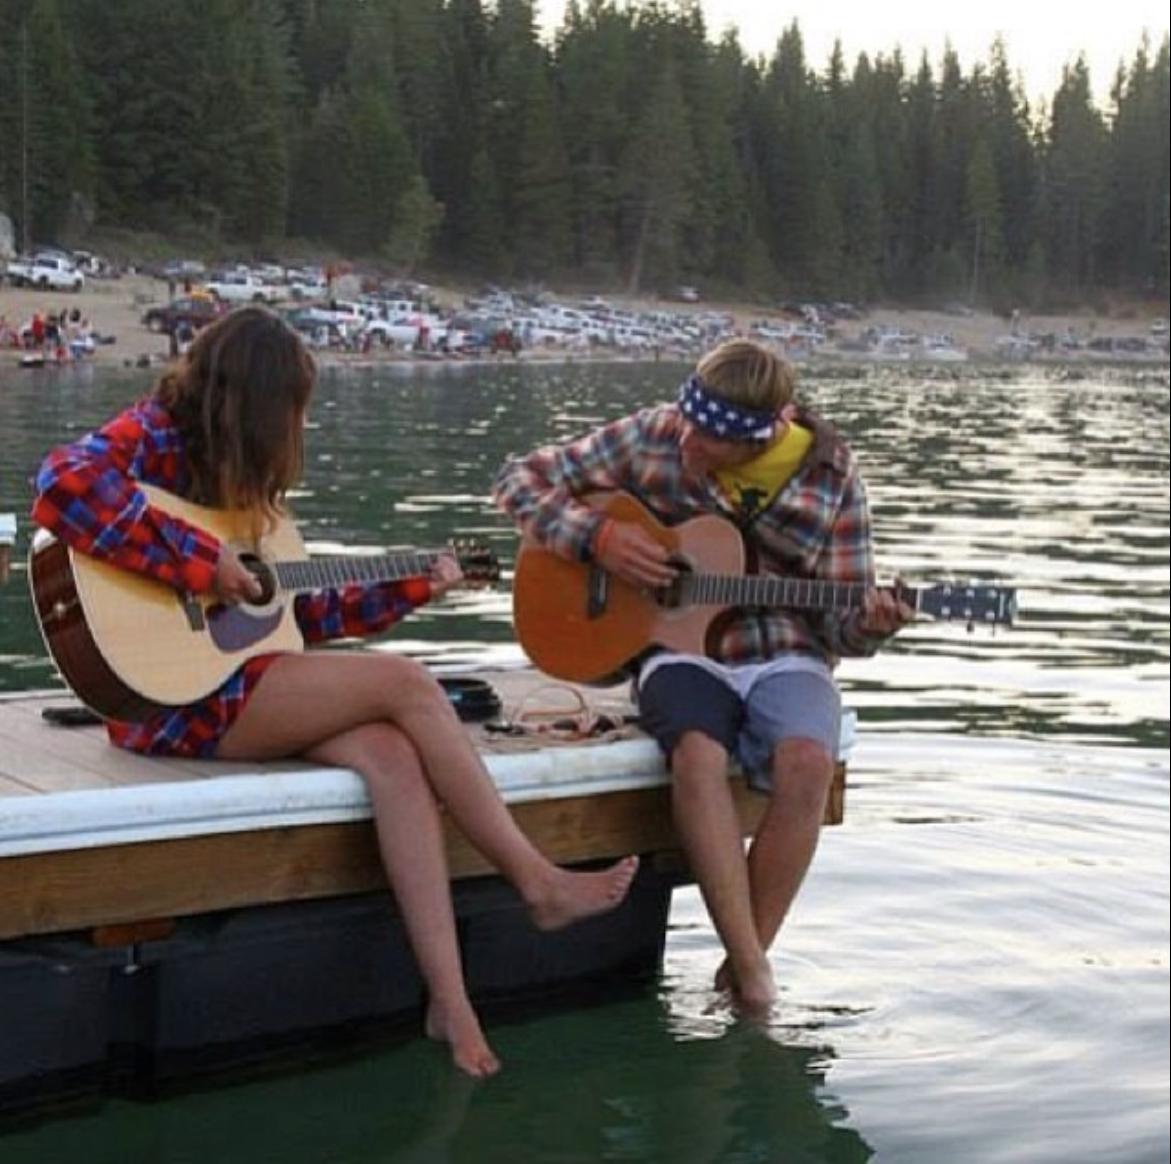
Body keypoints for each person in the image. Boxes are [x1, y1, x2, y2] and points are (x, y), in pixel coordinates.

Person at [30, 305, 638, 1078]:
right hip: (165, 704)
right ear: (257, 401)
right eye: (292, 410)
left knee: (391, 754)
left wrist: (416, 583)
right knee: (409, 682)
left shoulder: (247, 489)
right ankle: (536, 880)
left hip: (231, 682)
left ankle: (449, 1000)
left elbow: (297, 615)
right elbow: (59, 483)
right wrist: (200, 564)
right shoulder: (153, 434)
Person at [491, 337, 911, 1014]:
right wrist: (595, 539)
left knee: (809, 761)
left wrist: (874, 625)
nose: (685, 440)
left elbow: (841, 631)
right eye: (686, 421)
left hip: (784, 650)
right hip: (677, 650)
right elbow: (518, 480)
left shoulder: (829, 477)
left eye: (708, 437)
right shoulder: (657, 433)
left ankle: (740, 965)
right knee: (696, 754)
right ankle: (753, 977)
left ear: (755, 439)